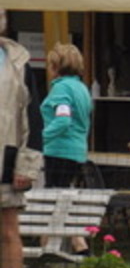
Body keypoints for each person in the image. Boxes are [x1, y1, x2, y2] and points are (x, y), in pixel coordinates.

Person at [0, 9, 44, 268]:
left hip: (7, 157)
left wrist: (27, 166)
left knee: (8, 230)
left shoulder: (18, 61)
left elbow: (32, 118)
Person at [40, 42, 94, 253]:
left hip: (58, 150)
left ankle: (67, 245)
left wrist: (41, 137)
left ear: (56, 66)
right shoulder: (82, 88)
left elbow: (63, 119)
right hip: (77, 150)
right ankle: (74, 243)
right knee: (62, 199)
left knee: (52, 200)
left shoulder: (61, 88)